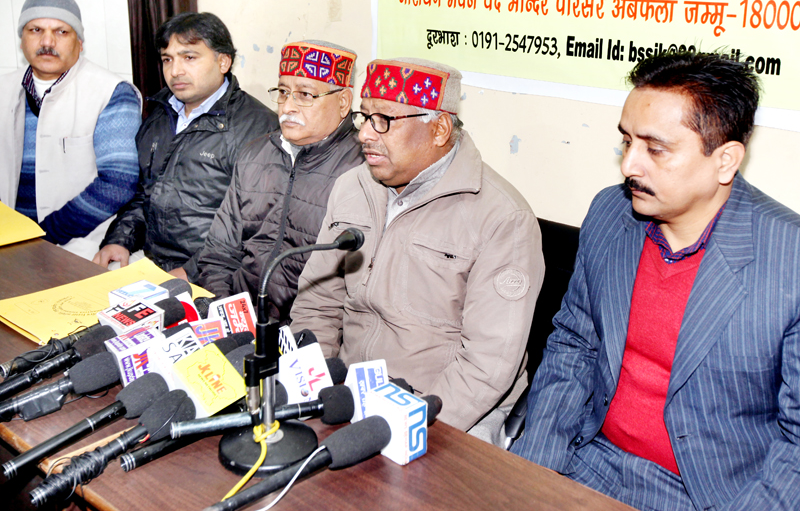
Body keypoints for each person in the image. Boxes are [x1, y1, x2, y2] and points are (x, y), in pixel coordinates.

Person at [511, 52, 800, 510]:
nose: (630, 165)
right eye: (626, 142)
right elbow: (573, 347)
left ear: (725, 160)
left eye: (655, 149)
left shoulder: (789, 258)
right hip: (590, 463)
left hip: (708, 496)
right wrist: (532, 475)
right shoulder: (610, 214)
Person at [290, 57, 544, 444]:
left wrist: (405, 423)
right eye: (364, 117)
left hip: (445, 411)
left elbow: (487, 365)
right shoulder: (352, 187)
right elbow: (317, 302)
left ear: (439, 128)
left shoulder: (502, 218)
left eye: (385, 120)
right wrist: (313, 383)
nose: (365, 135)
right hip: (347, 393)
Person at [94, 12, 277, 278]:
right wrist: (120, 240)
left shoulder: (258, 127)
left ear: (223, 61)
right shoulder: (159, 114)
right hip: (150, 265)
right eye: (167, 59)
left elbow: (254, 226)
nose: (175, 71)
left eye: (189, 57)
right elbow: (143, 193)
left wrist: (191, 272)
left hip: (216, 275)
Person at [193, 40, 363, 322]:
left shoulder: (363, 171)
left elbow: (354, 294)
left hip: (308, 333)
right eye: (283, 92)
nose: (288, 106)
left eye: (305, 95)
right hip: (238, 318)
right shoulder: (255, 154)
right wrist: (226, 314)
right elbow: (218, 255)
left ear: (343, 102)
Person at [0, 0, 141, 259]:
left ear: (79, 41)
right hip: (9, 247)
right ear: (21, 39)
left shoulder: (112, 92)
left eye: (61, 31)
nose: (47, 41)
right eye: (35, 29)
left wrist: (42, 236)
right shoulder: (4, 89)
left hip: (81, 249)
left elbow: (118, 182)